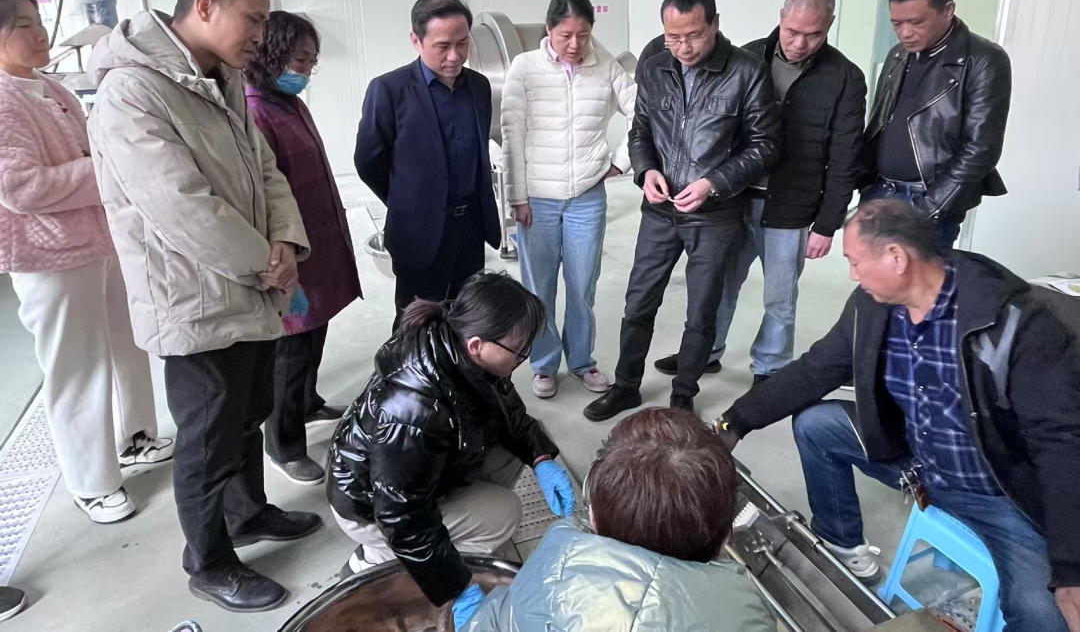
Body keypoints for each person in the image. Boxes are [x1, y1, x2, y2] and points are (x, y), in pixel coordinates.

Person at [715, 199, 1080, 632]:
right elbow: (815, 370)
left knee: (1045, 613)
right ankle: (842, 543)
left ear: (896, 257)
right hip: (918, 463)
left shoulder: (1017, 324)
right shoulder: (871, 307)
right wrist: (735, 422)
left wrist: (1070, 567)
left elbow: (1059, 444)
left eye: (855, 262)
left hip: (995, 490)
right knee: (818, 425)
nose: (853, 275)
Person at [87, 0, 321, 613]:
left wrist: (284, 240)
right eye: (254, 19)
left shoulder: (223, 77)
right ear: (206, 6)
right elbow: (179, 206)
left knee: (247, 414)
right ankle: (209, 562)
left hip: (251, 280)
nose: (261, 35)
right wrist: (265, 261)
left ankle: (247, 515)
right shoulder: (132, 92)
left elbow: (266, 171)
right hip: (192, 296)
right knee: (208, 434)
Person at [0, 0, 171, 526]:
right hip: (48, 254)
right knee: (77, 365)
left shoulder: (50, 87)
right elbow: (20, 188)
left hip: (99, 238)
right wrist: (110, 171)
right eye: (23, 25)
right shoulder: (3, 99)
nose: (39, 34)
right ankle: (92, 482)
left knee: (127, 341)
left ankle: (137, 436)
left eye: (38, 21)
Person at [326, 271, 576, 621]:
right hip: (369, 506)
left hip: (398, 481)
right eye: (519, 351)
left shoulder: (457, 346)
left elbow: (508, 413)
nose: (524, 358)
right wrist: (455, 586)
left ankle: (456, 530)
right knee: (504, 512)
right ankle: (374, 560)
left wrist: (542, 457)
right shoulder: (414, 410)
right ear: (477, 345)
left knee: (509, 454)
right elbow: (402, 516)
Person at [584, 0, 781, 421]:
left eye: (693, 35)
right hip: (660, 210)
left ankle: (683, 396)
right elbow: (640, 130)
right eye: (673, 37)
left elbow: (766, 145)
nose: (683, 47)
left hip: (714, 215)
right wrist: (645, 170)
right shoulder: (655, 66)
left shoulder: (746, 71)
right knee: (639, 302)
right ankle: (626, 386)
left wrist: (713, 183)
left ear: (715, 24)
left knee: (701, 310)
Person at [653, 0, 866, 384]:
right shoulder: (747, 57)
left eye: (814, 34)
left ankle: (770, 367)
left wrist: (827, 224)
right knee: (718, 285)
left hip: (790, 206)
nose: (800, 43)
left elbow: (845, 158)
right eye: (792, 31)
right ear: (781, 17)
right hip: (731, 198)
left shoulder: (844, 78)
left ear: (830, 25)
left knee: (779, 296)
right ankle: (704, 352)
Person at [459, 408, 775, 632]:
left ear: (593, 517)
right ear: (722, 540)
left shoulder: (552, 559)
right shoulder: (746, 614)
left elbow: (497, 619)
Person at [501, 0, 637, 400]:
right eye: (565, 35)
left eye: (583, 35)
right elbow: (512, 134)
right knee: (539, 289)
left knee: (582, 287)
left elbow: (644, 113)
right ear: (549, 30)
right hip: (537, 199)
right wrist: (517, 197)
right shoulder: (525, 68)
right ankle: (544, 364)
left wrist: (621, 162)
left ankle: (581, 361)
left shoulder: (606, 67)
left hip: (586, 197)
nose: (575, 45)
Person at [245, 11, 362, 486]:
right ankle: (284, 444)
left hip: (317, 243)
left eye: (313, 61)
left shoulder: (288, 103)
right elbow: (262, 197)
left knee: (314, 334)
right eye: (299, 59)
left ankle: (309, 404)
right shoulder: (256, 111)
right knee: (291, 349)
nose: (307, 70)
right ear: (270, 54)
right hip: (289, 252)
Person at [354, 0, 500, 325]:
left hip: (470, 227)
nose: (454, 56)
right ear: (416, 41)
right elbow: (368, 161)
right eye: (442, 46)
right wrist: (407, 200)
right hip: (419, 230)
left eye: (462, 43)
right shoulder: (389, 90)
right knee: (415, 322)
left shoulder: (478, 87)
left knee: (466, 319)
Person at [860, 0, 1011, 251]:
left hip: (927, 202)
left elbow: (981, 149)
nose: (905, 33)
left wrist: (927, 209)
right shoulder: (898, 54)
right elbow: (880, 122)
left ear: (948, 10)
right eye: (896, 23)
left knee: (919, 281)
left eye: (916, 22)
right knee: (870, 278)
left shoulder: (983, 60)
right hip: (879, 192)